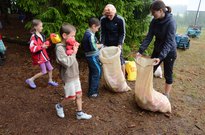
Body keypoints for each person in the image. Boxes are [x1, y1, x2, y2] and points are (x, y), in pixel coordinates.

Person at [136, 0, 177, 99]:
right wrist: (140, 51)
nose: (152, 14)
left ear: (161, 10)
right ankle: (145, 90)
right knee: (150, 70)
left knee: (168, 74)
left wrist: (161, 56)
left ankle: (166, 95)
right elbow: (149, 36)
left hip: (169, 52)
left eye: (154, 12)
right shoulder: (154, 21)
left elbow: (169, 42)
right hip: (157, 49)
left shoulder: (171, 22)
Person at [55, 23, 92, 119]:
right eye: (72, 36)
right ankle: (59, 106)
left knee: (79, 94)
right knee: (71, 97)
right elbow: (67, 63)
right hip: (68, 76)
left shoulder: (69, 45)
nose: (74, 38)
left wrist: (74, 48)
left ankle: (79, 113)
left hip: (75, 74)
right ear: (64, 35)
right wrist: (74, 52)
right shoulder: (59, 49)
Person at [26, 19, 58, 89]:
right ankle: (31, 80)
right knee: (44, 71)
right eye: (40, 26)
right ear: (35, 27)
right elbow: (32, 48)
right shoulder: (33, 37)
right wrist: (41, 46)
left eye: (42, 26)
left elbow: (44, 44)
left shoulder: (41, 35)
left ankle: (50, 80)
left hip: (44, 55)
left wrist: (50, 39)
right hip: (40, 57)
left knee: (50, 68)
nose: (42, 28)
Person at [100, 4, 126, 75]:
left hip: (117, 43)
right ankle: (110, 77)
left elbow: (122, 33)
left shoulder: (120, 19)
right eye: (107, 15)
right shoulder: (103, 19)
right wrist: (102, 43)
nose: (109, 17)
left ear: (114, 12)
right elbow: (102, 33)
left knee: (120, 60)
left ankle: (123, 77)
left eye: (110, 15)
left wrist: (120, 44)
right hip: (107, 44)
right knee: (107, 61)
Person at [82, 17, 102, 98]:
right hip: (92, 57)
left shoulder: (89, 33)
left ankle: (92, 89)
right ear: (93, 26)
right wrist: (102, 45)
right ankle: (92, 92)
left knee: (93, 72)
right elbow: (94, 47)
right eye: (97, 28)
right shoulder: (90, 35)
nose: (97, 30)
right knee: (97, 72)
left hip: (91, 56)